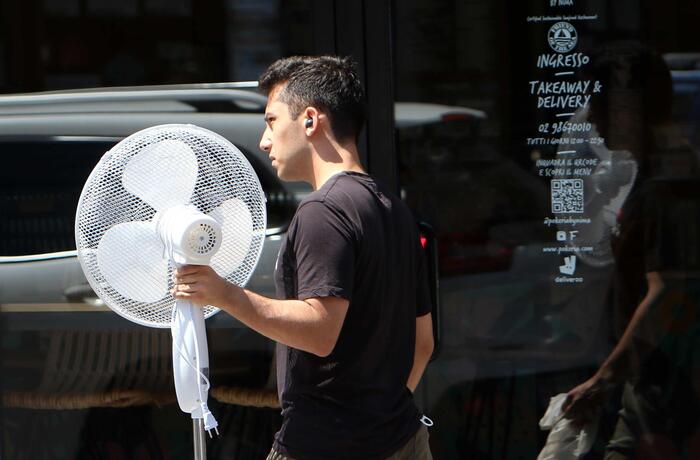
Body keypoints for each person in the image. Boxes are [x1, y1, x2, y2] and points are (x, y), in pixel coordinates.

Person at [172, 55, 435, 459]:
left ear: (311, 120)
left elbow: (319, 329)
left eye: (272, 120)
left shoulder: (323, 210)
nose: (264, 140)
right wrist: (379, 418)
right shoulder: (394, 209)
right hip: (402, 439)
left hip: (323, 444)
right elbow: (423, 343)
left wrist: (225, 294)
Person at [563, 44, 700, 458]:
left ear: (629, 110)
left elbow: (667, 293)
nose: (592, 118)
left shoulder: (671, 182)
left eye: (602, 105)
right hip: (654, 385)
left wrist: (601, 381)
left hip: (674, 391)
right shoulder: (653, 175)